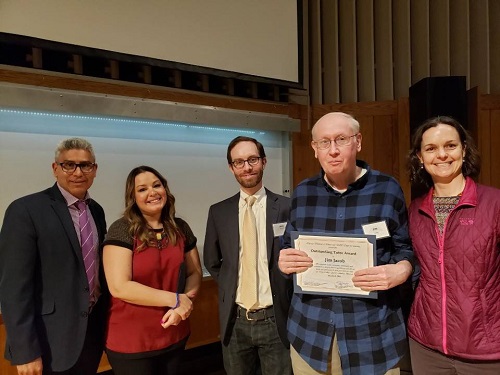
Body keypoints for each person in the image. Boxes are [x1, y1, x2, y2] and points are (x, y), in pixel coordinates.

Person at [278, 112, 414, 375]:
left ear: (358, 141)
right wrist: (285, 262)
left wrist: (402, 269)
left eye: (341, 139)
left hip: (373, 336)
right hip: (311, 336)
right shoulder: (303, 193)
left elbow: (405, 248)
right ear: (314, 149)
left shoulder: (387, 189)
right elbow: (288, 246)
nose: (333, 150)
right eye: (324, 142)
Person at [0, 138, 107, 375]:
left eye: (85, 165)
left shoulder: (96, 210)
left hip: (90, 334)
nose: (78, 172)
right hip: (48, 340)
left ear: (95, 170)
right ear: (55, 168)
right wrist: (25, 350)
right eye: (69, 165)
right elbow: (13, 287)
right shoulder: (25, 210)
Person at [406, 116, 500, 374]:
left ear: (464, 150)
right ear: (420, 157)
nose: (442, 155)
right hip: (426, 346)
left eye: (450, 146)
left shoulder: (494, 203)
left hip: (486, 350)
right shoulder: (415, 210)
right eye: (431, 149)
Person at [204, 136, 293, 375]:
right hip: (236, 322)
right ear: (231, 167)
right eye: (239, 162)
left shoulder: (287, 207)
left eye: (252, 159)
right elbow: (212, 261)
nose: (247, 167)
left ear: (263, 162)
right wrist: (231, 285)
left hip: (277, 319)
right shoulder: (219, 212)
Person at [102, 165, 202, 375]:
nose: (152, 193)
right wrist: (175, 299)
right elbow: (120, 287)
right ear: (133, 197)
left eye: (157, 185)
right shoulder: (122, 229)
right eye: (142, 189)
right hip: (133, 342)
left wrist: (185, 303)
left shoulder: (180, 227)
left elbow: (194, 273)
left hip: (174, 334)